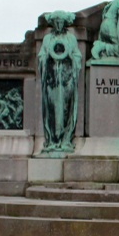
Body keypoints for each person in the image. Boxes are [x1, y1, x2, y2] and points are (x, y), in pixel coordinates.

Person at [38, 11, 82, 154]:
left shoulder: (71, 38)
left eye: (60, 21)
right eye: (56, 21)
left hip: (66, 80)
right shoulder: (47, 39)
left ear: (64, 23)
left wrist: (69, 56)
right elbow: (41, 56)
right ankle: (52, 140)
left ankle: (65, 140)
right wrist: (46, 59)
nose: (58, 24)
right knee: (51, 109)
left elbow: (77, 57)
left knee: (65, 109)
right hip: (51, 80)